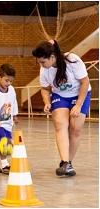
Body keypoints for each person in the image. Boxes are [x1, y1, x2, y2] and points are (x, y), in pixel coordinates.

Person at [32, 40, 91, 177]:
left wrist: (78, 105)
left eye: (42, 62)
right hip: (61, 95)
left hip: (80, 94)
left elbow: (85, 82)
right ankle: (64, 162)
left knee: (75, 129)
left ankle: (69, 163)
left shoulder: (72, 60)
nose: (41, 65)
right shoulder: (45, 70)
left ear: (52, 57)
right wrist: (47, 102)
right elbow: (45, 89)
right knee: (60, 125)